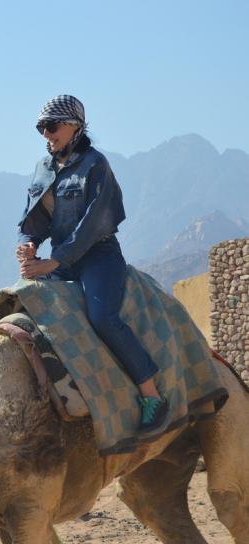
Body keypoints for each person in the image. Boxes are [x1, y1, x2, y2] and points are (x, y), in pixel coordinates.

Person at [16, 95, 169, 433]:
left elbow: (93, 224)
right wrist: (27, 246)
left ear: (75, 127)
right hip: (59, 257)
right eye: (42, 127)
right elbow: (33, 219)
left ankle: (151, 395)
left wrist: (53, 262)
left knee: (102, 317)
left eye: (52, 126)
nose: (47, 134)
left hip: (98, 256)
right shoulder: (43, 168)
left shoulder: (95, 165)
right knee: (20, 310)